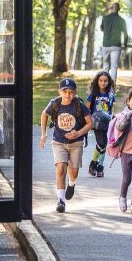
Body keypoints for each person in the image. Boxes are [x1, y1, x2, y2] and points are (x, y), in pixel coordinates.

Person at [40, 77, 93, 213]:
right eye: (65, 91)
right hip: (59, 142)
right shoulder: (55, 104)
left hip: (76, 143)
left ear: (75, 93)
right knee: (61, 169)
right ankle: (61, 201)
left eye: (71, 92)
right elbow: (44, 115)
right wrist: (44, 134)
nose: (68, 95)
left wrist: (78, 133)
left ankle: (72, 183)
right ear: (60, 92)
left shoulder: (79, 106)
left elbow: (90, 123)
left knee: (73, 171)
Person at [86, 71, 116, 177]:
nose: (103, 83)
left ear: (109, 82)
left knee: (105, 143)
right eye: (101, 81)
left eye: (105, 81)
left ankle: (100, 167)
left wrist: (112, 117)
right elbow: (87, 109)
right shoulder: (93, 94)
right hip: (96, 122)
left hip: (107, 122)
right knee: (101, 143)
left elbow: (111, 108)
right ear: (97, 81)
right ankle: (93, 164)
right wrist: (88, 122)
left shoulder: (110, 94)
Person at [99, 1, 128, 83]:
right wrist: (125, 44)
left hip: (106, 44)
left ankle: (104, 84)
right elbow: (125, 34)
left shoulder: (105, 18)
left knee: (105, 66)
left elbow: (102, 29)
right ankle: (112, 85)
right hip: (116, 45)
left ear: (111, 8)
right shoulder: (122, 20)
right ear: (119, 9)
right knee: (114, 66)